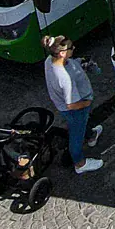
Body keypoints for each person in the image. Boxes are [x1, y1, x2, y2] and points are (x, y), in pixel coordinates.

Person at [42, 35, 102, 175]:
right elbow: (72, 104)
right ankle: (80, 163)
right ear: (62, 53)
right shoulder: (65, 78)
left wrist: (78, 63)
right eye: (70, 48)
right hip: (76, 108)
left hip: (62, 104)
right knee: (76, 134)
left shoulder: (49, 61)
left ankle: (91, 135)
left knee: (82, 124)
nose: (74, 48)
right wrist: (87, 102)